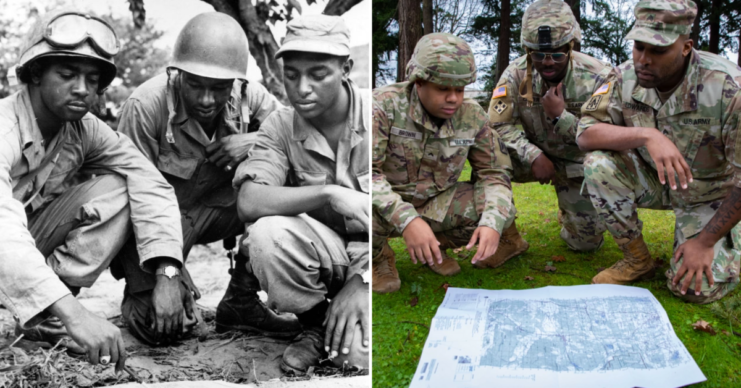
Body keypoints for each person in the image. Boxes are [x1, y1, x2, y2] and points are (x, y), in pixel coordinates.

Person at [0, 10, 185, 371]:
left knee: (119, 188)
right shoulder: (4, 128)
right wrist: (77, 316)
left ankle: (45, 319)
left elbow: (148, 180)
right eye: (67, 75)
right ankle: (59, 311)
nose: (82, 88)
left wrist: (167, 270)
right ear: (35, 74)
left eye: (92, 78)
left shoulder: (83, 128)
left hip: (21, 250)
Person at [115, 12, 299, 345]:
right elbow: (129, 197)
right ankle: (144, 289)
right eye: (195, 85)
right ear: (177, 73)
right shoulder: (144, 106)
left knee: (287, 189)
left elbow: (296, 137)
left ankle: (240, 302)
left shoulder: (250, 98)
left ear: (236, 83)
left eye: (218, 88)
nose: (205, 100)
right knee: (163, 330)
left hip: (220, 210)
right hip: (156, 225)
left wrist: (253, 141)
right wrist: (169, 272)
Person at [577, 0, 741, 302]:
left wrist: (705, 242)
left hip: (710, 195)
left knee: (691, 289)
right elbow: (585, 134)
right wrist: (646, 134)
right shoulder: (623, 77)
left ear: (686, 47)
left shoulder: (728, 88)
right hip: (656, 182)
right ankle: (637, 260)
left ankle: (730, 246)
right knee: (598, 163)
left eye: (658, 50)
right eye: (638, 47)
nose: (644, 60)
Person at [233, 15, 369, 373]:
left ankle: (341, 327)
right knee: (267, 233)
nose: (301, 88)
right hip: (328, 255)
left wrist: (365, 281)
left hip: (380, 258)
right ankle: (316, 322)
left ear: (346, 69)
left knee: (357, 358)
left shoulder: (380, 115)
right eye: (291, 75)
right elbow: (249, 201)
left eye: (318, 74)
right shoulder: (279, 125)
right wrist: (328, 194)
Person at [372, 33, 514, 293]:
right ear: (419, 83)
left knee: (500, 211)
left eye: (459, 90)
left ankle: (432, 248)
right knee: (353, 212)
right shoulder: (382, 107)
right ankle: (378, 257)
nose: (453, 99)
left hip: (434, 202)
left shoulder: (472, 115)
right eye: (443, 89)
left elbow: (493, 173)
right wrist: (407, 221)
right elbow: (364, 173)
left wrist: (491, 223)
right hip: (384, 207)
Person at [487, 0, 612, 266]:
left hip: (578, 162)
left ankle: (571, 211)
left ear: (570, 47)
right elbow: (498, 125)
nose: (547, 62)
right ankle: (509, 238)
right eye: (538, 54)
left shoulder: (597, 77)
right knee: (488, 157)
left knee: (586, 244)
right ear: (527, 50)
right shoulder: (515, 75)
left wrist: (561, 117)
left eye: (557, 54)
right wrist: (532, 154)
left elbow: (606, 133)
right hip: (534, 158)